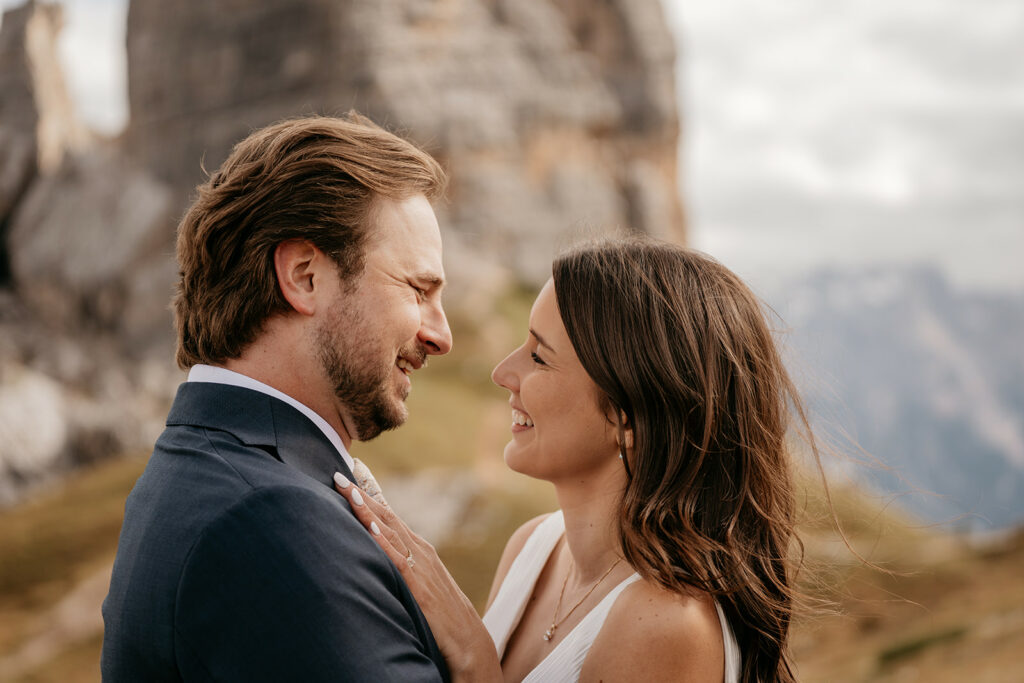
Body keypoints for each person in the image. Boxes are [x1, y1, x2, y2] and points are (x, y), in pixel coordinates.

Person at [102, 114, 496, 681]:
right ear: (305, 275)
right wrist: (481, 667)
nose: (442, 334)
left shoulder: (198, 469)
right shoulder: (275, 520)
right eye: (418, 289)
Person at [337, 237, 809, 682]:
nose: (504, 373)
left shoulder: (667, 623)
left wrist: (473, 656)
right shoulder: (533, 547)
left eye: (539, 357)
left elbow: (475, 665)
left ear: (628, 420)